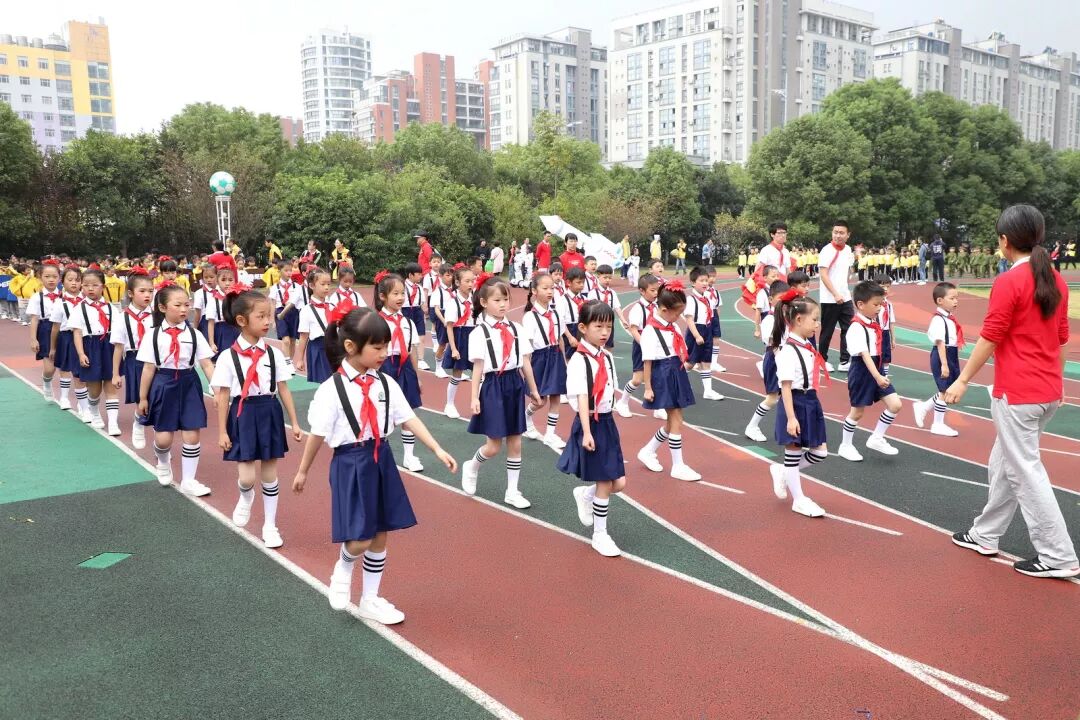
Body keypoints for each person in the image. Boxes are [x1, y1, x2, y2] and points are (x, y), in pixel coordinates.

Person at [292, 306, 457, 621]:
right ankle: (343, 567)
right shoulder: (332, 390)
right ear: (351, 346)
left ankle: (370, 599)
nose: (384, 353)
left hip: (382, 458)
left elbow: (408, 418)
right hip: (351, 463)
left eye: (386, 346)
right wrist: (302, 471)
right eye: (377, 348)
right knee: (361, 537)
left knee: (381, 534)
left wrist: (436, 448)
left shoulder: (385, 384)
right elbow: (317, 435)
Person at [946, 204, 1078, 579]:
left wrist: (962, 379)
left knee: (1024, 472)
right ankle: (985, 534)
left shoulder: (1009, 281)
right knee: (1005, 463)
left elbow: (991, 337)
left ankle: (1058, 554)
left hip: (1018, 393)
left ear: (1004, 241)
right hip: (1045, 392)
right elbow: (1062, 339)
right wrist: (1057, 382)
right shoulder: (1056, 279)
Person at [211, 289, 302, 548]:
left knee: (270, 474)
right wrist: (222, 431)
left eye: (269, 316)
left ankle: (270, 525)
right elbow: (223, 395)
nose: (268, 322)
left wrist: (294, 422)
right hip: (243, 413)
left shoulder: (274, 354)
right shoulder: (228, 356)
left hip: (269, 411)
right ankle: (246, 495)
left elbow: (283, 388)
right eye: (261, 316)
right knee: (248, 477)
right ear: (242, 320)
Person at [460, 277, 541, 510]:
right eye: (497, 300)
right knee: (494, 445)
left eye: (506, 299)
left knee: (515, 441)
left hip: (514, 384)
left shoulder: (517, 329)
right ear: (484, 302)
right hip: (493, 386)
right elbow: (477, 368)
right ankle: (472, 466)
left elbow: (525, 362)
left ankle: (512, 491)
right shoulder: (479, 333)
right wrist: (474, 397)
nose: (503, 304)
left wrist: (533, 390)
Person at [559, 300, 626, 557]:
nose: (605, 332)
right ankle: (600, 534)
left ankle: (585, 495)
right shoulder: (579, 360)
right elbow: (582, 397)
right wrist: (586, 432)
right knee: (605, 481)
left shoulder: (606, 356)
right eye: (598, 326)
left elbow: (609, 389)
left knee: (619, 483)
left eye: (608, 327)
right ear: (583, 328)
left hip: (606, 421)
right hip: (590, 422)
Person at [137, 284, 217, 496]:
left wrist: (217, 389)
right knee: (163, 439)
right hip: (163, 383)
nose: (184, 309)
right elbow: (148, 368)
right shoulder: (153, 335)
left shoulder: (195, 334)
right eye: (178, 305)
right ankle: (163, 461)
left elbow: (207, 364)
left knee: (192, 433)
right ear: (163, 307)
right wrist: (143, 397)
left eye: (187, 305)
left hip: (189, 383)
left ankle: (189, 480)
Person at [769, 289, 830, 517]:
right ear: (798, 319)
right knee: (793, 451)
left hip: (810, 400)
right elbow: (785, 386)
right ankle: (799, 499)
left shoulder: (806, 346)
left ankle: (782, 471)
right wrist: (791, 417)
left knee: (820, 452)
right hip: (795, 402)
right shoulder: (787, 350)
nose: (817, 324)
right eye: (814, 319)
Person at [636, 280, 701, 481]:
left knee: (674, 420)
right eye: (677, 313)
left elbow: (678, 349)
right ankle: (677, 465)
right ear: (664, 310)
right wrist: (648, 387)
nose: (679, 316)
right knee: (676, 419)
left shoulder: (672, 327)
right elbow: (647, 361)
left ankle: (648, 451)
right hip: (662, 374)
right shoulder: (650, 331)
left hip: (676, 370)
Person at [837, 281, 903, 462]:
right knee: (857, 412)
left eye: (881, 304)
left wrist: (880, 373)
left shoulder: (873, 323)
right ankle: (845, 445)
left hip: (877, 368)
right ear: (860, 304)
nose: (880, 308)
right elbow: (864, 355)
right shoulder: (856, 327)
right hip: (863, 372)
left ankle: (876, 438)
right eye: (876, 304)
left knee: (895, 405)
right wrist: (878, 376)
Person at [373, 271, 425, 473]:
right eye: (395, 293)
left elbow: (411, 351)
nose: (401, 297)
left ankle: (409, 456)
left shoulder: (407, 322)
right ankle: (376, 451)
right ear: (382, 296)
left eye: (403, 293)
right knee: (381, 410)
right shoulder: (375, 321)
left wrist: (417, 377)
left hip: (405, 368)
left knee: (408, 411)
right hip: (382, 367)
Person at [70, 269, 118, 435]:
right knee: (95, 387)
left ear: (103, 286)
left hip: (109, 346)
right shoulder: (79, 308)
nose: (90, 288)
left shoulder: (111, 307)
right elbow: (77, 333)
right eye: (86, 285)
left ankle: (113, 422)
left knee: (111, 385)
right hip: (90, 346)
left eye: (95, 285)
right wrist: (81, 353)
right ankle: (95, 412)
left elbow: (119, 333)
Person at [109, 269, 154, 448]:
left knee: (158, 399)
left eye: (150, 291)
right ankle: (138, 423)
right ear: (130, 293)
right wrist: (115, 374)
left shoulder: (157, 316)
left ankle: (160, 440)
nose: (147, 295)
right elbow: (118, 347)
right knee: (141, 399)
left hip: (156, 360)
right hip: (135, 360)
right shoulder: (122, 318)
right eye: (142, 291)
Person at [522, 271, 567, 449]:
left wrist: (564, 361)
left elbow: (560, 338)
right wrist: (527, 370)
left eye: (552, 288)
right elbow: (527, 348)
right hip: (539, 359)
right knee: (539, 401)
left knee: (556, 396)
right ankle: (526, 417)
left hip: (555, 355)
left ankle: (550, 434)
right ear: (534, 290)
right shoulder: (530, 317)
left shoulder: (556, 314)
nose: (550, 291)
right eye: (545, 288)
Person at [912, 282, 963, 437]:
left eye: (956, 298)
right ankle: (937, 424)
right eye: (952, 298)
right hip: (943, 355)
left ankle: (923, 407)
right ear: (940, 300)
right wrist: (944, 365)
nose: (956, 301)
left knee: (948, 389)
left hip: (951, 353)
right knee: (944, 390)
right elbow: (940, 343)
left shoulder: (949, 318)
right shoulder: (939, 319)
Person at [745, 280, 789, 443]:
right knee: (772, 397)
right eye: (780, 298)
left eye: (786, 299)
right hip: (775, 360)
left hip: (785, 358)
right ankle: (752, 426)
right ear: (771, 300)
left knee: (790, 395)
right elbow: (773, 344)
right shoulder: (770, 320)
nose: (784, 302)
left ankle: (790, 426)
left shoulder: (787, 317)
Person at [615, 273, 660, 419]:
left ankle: (658, 407)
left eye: (657, 290)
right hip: (642, 345)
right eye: (652, 290)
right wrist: (644, 344)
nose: (656, 293)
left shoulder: (658, 306)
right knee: (638, 379)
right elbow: (633, 329)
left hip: (657, 345)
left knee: (657, 376)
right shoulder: (638, 308)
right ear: (642, 290)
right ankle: (623, 402)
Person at [48, 266, 88, 419]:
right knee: (65, 368)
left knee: (81, 371)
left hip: (84, 338)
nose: (74, 283)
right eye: (70, 280)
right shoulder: (59, 303)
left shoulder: (87, 301)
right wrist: (52, 348)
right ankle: (64, 397)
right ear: (62, 282)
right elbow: (55, 327)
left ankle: (82, 403)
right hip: (66, 337)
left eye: (77, 280)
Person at [816, 220, 856, 373]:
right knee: (828, 330)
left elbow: (846, 271)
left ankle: (844, 361)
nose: (838, 235)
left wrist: (844, 289)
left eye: (841, 233)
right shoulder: (826, 251)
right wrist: (835, 293)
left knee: (849, 329)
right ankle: (822, 360)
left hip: (845, 297)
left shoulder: (848, 250)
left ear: (848, 235)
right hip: (830, 299)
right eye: (835, 232)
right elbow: (823, 275)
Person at [440, 266, 476, 418]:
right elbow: (449, 327)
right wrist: (454, 348)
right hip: (460, 336)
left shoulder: (475, 300)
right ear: (457, 282)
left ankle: (481, 403)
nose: (470, 284)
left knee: (480, 372)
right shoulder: (453, 302)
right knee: (457, 373)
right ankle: (449, 404)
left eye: (472, 281)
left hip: (474, 336)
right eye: (467, 281)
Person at [684, 267, 723, 401]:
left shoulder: (707, 298)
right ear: (693, 282)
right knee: (690, 362)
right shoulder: (691, 299)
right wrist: (696, 335)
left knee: (706, 361)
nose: (705, 283)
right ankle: (676, 382)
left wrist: (709, 332)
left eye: (706, 280)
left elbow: (712, 314)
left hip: (707, 329)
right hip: (696, 331)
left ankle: (708, 391)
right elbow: (689, 319)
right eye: (701, 280)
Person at [27, 261, 62, 403]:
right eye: (47, 276)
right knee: (49, 368)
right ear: (40, 277)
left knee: (65, 366)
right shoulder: (37, 297)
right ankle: (46, 382)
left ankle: (66, 396)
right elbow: (34, 319)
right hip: (46, 330)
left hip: (63, 329)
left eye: (54, 276)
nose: (51, 280)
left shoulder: (65, 295)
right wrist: (33, 339)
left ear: (59, 278)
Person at [294, 268, 336, 383]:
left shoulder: (333, 306)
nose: (327, 287)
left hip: (334, 347)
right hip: (318, 348)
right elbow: (303, 337)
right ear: (312, 286)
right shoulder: (306, 310)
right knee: (326, 383)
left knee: (338, 382)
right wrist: (300, 359)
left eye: (329, 284)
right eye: (323, 284)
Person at [204, 257, 240, 364]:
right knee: (223, 360)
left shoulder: (237, 298)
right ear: (217, 282)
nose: (227, 283)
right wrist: (211, 343)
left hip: (236, 330)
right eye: (223, 280)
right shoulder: (214, 299)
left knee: (238, 359)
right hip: (221, 332)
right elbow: (211, 323)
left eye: (230, 280)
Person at [558, 267, 590, 359]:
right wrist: (569, 337)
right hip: (569, 330)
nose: (581, 285)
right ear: (569, 282)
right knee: (569, 357)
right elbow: (561, 320)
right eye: (578, 282)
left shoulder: (584, 299)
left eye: (583, 282)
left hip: (583, 329)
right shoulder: (562, 300)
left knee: (584, 356)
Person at [874, 273, 896, 376]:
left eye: (888, 286)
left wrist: (893, 338)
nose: (886, 289)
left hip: (885, 333)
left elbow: (891, 322)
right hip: (875, 332)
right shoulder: (873, 303)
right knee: (876, 355)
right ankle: (876, 374)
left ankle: (885, 375)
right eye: (883, 286)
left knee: (886, 356)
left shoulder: (889, 305)